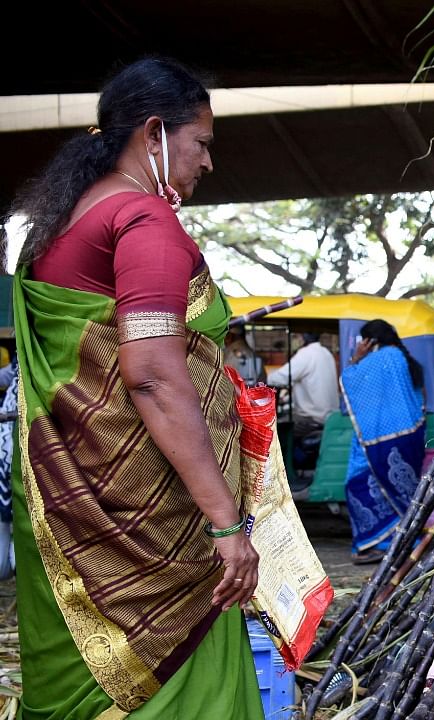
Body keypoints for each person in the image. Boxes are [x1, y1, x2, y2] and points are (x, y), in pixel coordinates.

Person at [0, 58, 262, 718]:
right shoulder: (143, 223)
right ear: (154, 133)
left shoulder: (58, 229)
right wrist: (224, 522)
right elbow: (150, 375)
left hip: (67, 517)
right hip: (157, 546)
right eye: (200, 143)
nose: (207, 163)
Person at [341, 319, 427, 564]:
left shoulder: (379, 360)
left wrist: (356, 358)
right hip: (410, 437)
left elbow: (350, 379)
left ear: (369, 341)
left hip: (381, 439)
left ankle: (381, 543)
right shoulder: (404, 358)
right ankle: (405, 540)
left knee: (358, 485)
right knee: (403, 489)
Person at [267, 331, 339, 480]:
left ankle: (285, 477)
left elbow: (277, 378)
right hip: (329, 416)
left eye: (295, 337)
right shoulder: (325, 352)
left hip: (313, 418)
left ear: (301, 338)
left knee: (277, 429)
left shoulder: (306, 354)